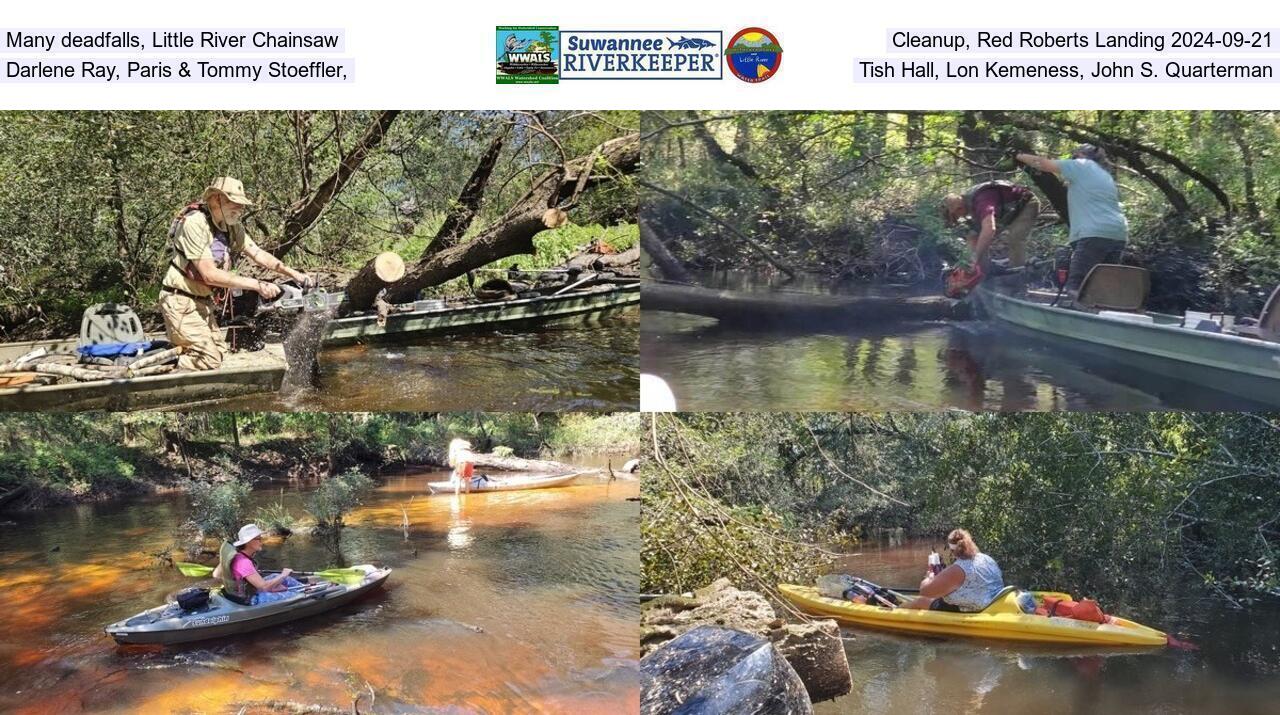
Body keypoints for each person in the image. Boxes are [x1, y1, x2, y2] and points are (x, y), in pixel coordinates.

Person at [160, 176, 313, 371]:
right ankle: (154, 366)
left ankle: (178, 357)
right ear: (216, 199)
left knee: (219, 353)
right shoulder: (194, 223)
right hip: (179, 300)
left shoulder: (231, 226)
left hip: (203, 302)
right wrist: (257, 285)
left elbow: (257, 253)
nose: (240, 209)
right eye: (235, 203)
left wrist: (293, 274)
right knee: (208, 359)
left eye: (242, 205)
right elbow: (209, 275)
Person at [1015, 145, 1129, 303]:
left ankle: (1077, 321)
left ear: (1080, 155)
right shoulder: (1105, 175)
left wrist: (1018, 155)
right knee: (1102, 287)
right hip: (1118, 234)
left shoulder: (1082, 165)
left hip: (1094, 234)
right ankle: (1105, 315)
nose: (1072, 160)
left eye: (1073, 157)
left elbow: (1042, 164)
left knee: (1075, 286)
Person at [941, 180, 1040, 274]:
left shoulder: (981, 201)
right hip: (1007, 211)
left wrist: (976, 256)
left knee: (1015, 238)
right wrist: (970, 259)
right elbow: (973, 237)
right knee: (973, 235)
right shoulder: (968, 203)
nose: (960, 217)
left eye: (956, 216)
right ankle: (984, 274)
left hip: (1026, 204)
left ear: (959, 208)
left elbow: (989, 229)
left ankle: (1017, 279)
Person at [903, 529, 1005, 612]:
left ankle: (893, 612)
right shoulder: (986, 558)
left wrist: (929, 576)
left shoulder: (957, 569)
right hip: (994, 601)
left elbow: (924, 592)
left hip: (974, 608)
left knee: (920, 601)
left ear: (952, 551)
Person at [211, 523, 305, 606]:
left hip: (244, 593)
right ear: (249, 542)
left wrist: (278, 582)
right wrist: (283, 575)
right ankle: (306, 593)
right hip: (250, 599)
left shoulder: (237, 556)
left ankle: (304, 587)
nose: (261, 541)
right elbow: (264, 587)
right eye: (258, 539)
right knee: (295, 595)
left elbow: (215, 575)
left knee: (276, 576)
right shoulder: (244, 562)